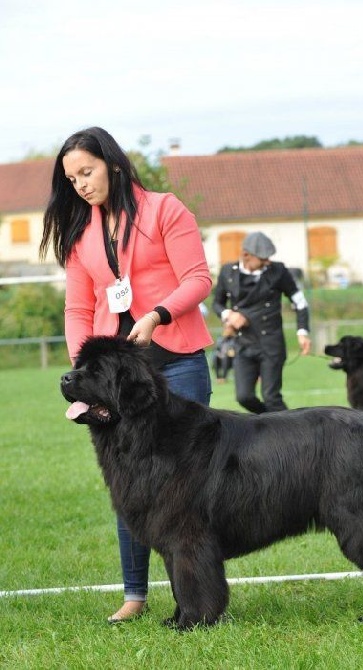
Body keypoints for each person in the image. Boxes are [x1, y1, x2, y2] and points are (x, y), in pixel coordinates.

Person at [40, 126, 213, 624]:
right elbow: (77, 307)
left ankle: (194, 598)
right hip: (115, 385)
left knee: (184, 489)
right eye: (72, 179)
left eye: (87, 172)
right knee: (129, 486)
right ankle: (134, 594)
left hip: (177, 363)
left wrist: (157, 314)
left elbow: (198, 279)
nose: (81, 185)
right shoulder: (80, 234)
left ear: (113, 164)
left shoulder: (165, 209)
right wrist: (86, 366)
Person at [212, 232, 311, 413]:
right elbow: (217, 303)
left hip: (271, 344)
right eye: (263, 258)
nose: (268, 262)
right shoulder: (228, 272)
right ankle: (273, 424)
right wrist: (229, 315)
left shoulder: (279, 271)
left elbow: (300, 302)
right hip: (243, 344)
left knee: (271, 397)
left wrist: (302, 332)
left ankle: (288, 431)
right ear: (246, 255)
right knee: (244, 397)